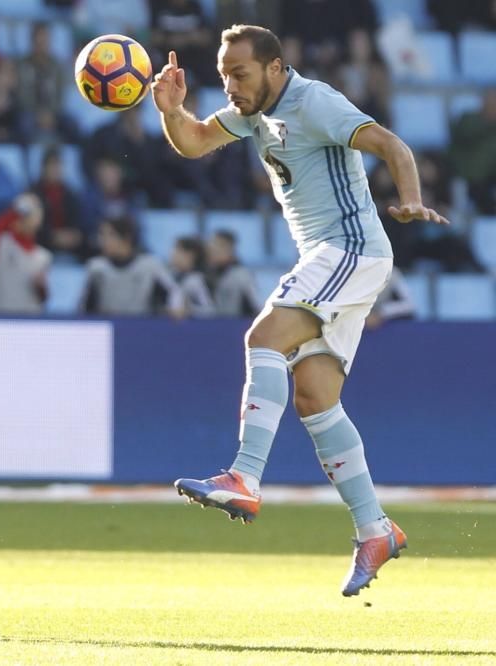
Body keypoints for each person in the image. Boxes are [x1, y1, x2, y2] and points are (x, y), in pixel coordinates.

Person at [152, 25, 448, 596]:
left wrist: (409, 197)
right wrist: (172, 110)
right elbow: (192, 141)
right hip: (332, 256)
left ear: (275, 68)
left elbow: (392, 145)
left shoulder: (315, 101)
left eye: (239, 74)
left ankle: (244, 475)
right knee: (315, 398)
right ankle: (375, 529)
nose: (230, 86)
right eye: (222, 76)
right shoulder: (251, 111)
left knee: (263, 338)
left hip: (351, 249)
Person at [82, 216, 185, 317]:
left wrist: (176, 307)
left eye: (110, 235)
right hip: (108, 326)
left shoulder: (150, 265)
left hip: (141, 327)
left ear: (126, 237)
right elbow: (85, 307)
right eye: (101, 235)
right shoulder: (96, 267)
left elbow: (174, 291)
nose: (103, 241)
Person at [204, 229, 262, 317]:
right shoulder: (204, 275)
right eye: (211, 246)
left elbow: (257, 305)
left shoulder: (242, 275)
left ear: (231, 250)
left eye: (219, 246)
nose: (213, 250)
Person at [169, 236, 214, 317]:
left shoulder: (196, 280)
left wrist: (189, 311)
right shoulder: (173, 276)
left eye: (178, 250)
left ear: (190, 255)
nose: (173, 254)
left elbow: (209, 311)